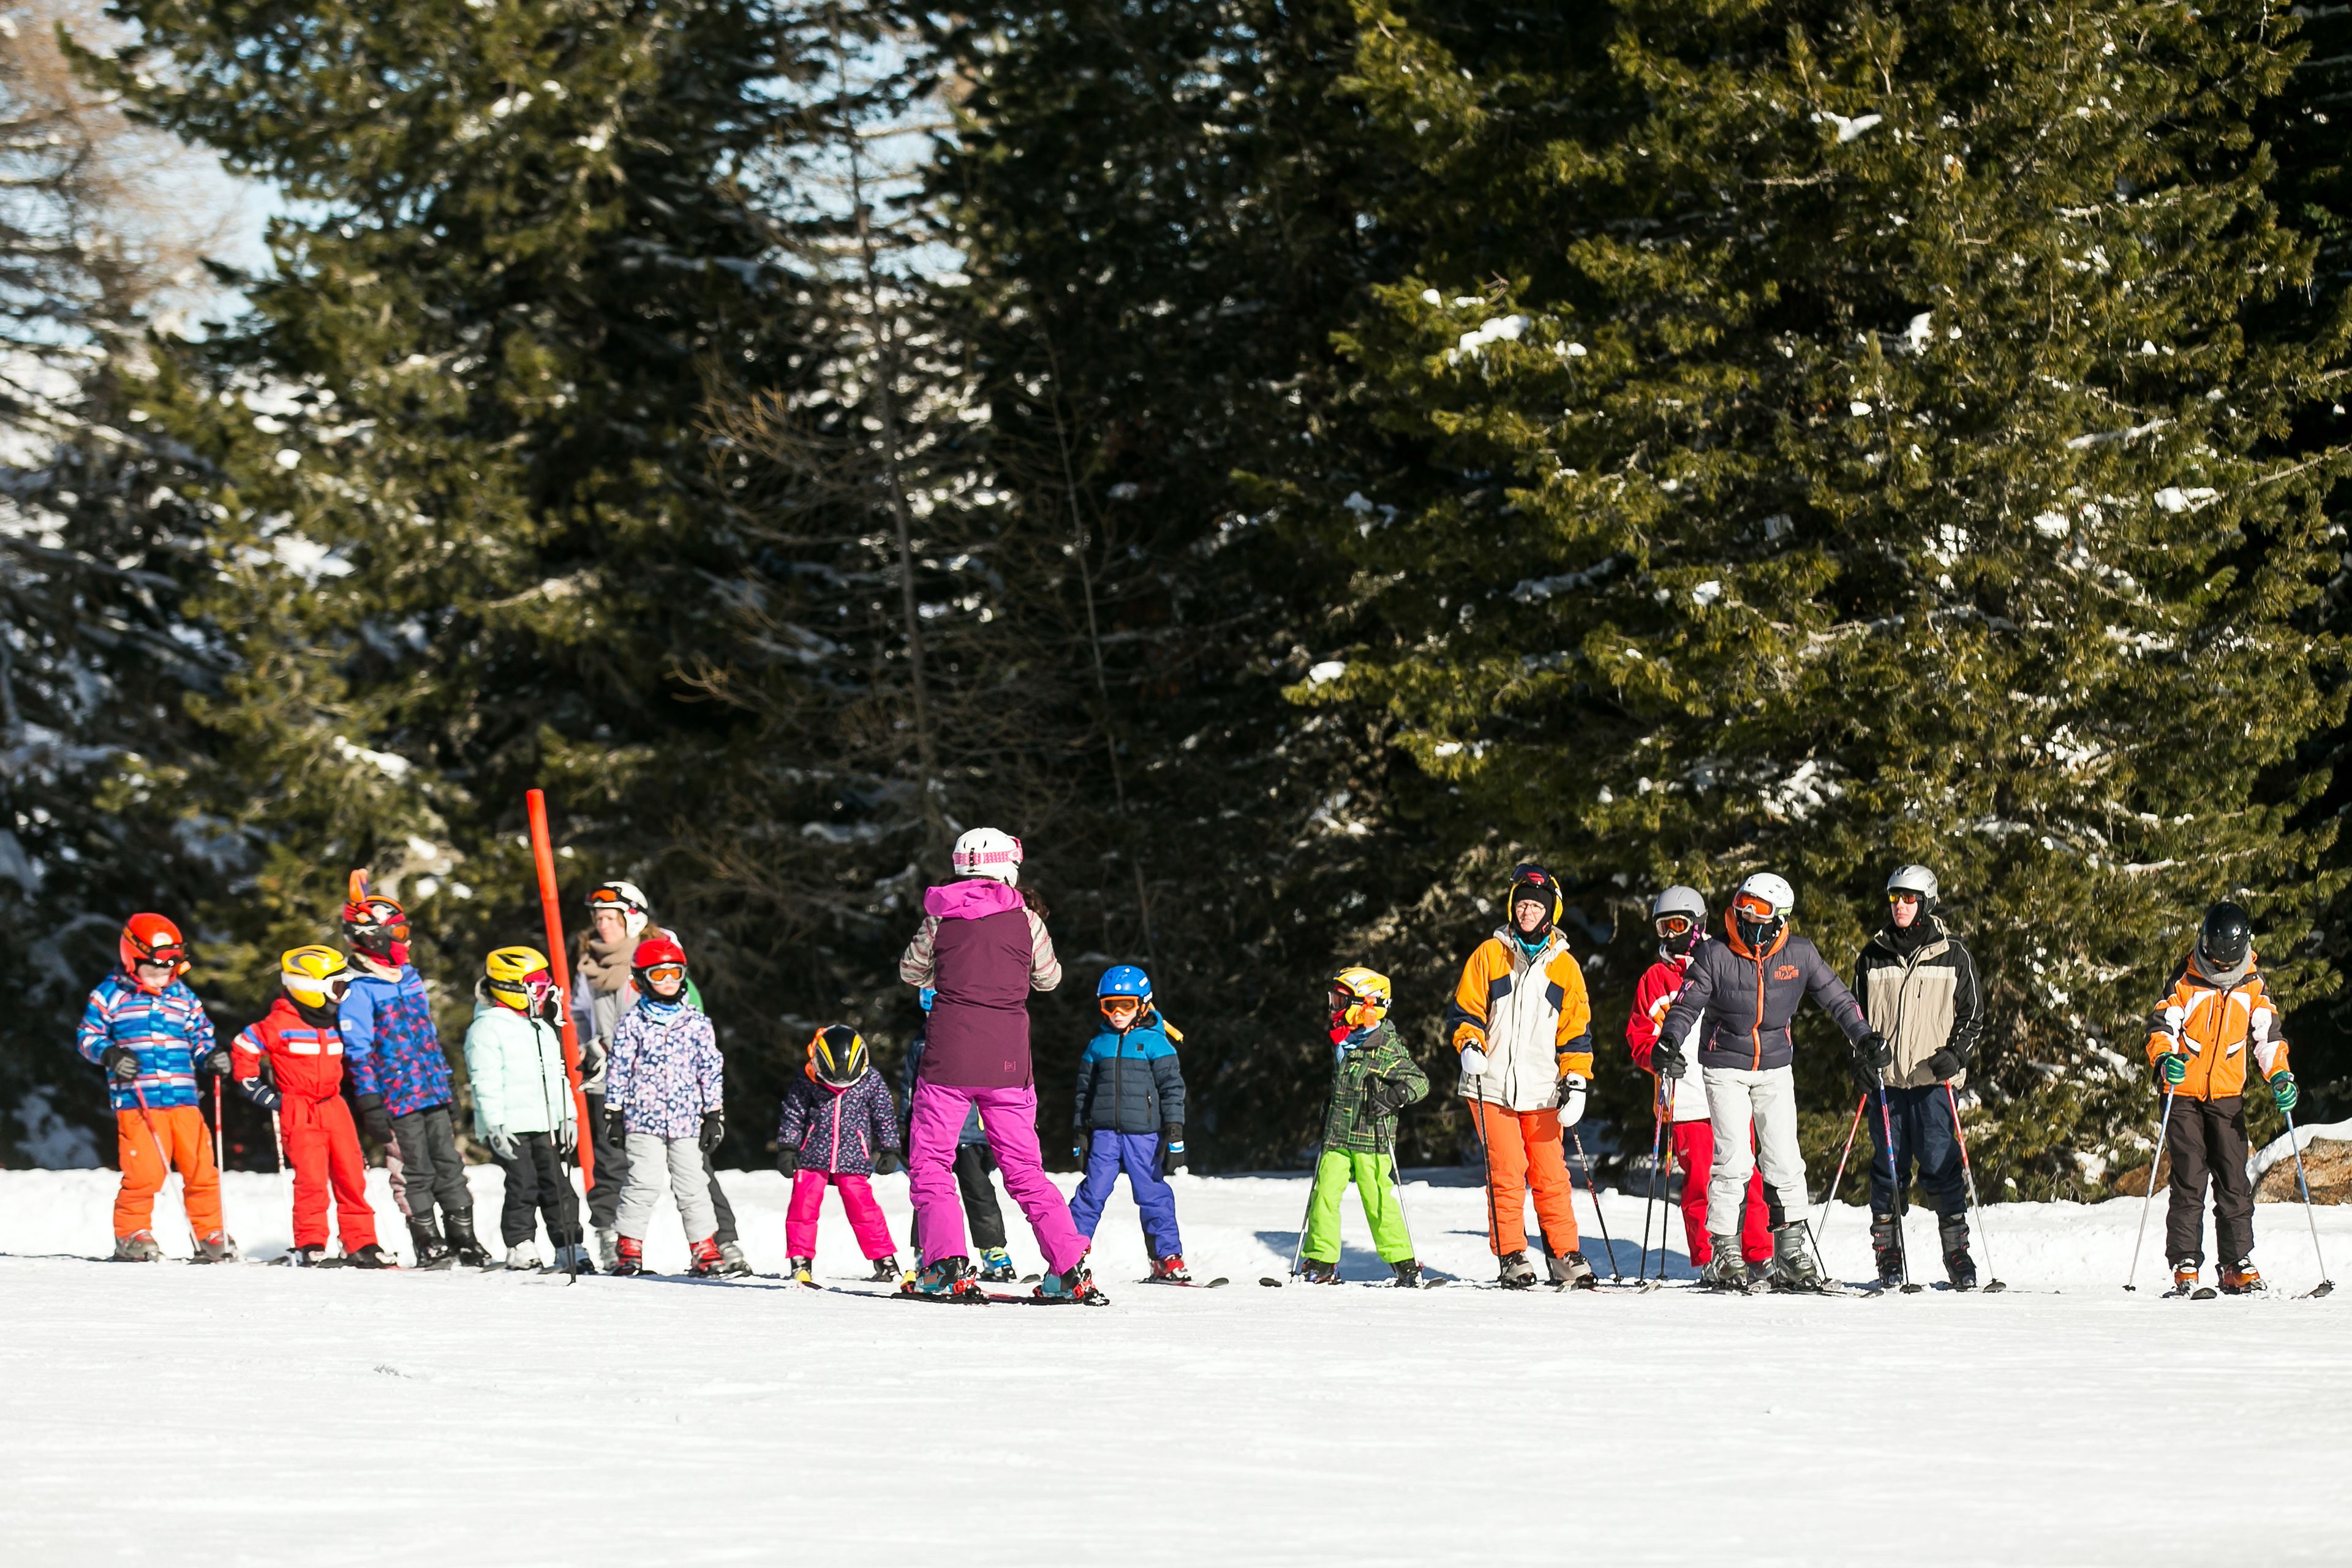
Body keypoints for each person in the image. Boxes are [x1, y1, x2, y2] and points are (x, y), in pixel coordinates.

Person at [1654, 871, 1884, 1292]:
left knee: (1784, 1160)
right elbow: (1687, 1003)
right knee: (1734, 1161)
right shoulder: (1716, 953)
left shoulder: (1799, 953)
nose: (1745, 914)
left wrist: (1864, 1037)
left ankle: (1792, 1252)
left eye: (1757, 908)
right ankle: (1724, 1250)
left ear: (1778, 918)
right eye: (1742, 903)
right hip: (1725, 1065)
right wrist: (1669, 1040)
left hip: (1776, 1067)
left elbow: (1838, 999)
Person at [897, 827, 1098, 1302]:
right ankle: (1069, 1268)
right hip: (1008, 1061)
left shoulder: (939, 919)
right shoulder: (1028, 921)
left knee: (931, 1165)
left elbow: (911, 971)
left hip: (947, 1058)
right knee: (1025, 1169)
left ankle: (945, 1266)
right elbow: (1049, 979)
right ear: (1009, 865)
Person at [571, 881, 748, 1274]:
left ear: (632, 917)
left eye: (610, 917)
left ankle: (721, 1242)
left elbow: (697, 1028)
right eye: (597, 918)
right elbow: (579, 1011)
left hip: (679, 1100)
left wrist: (711, 1108)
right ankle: (615, 1241)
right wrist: (591, 1046)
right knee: (616, 1167)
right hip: (620, 1087)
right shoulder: (591, 963)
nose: (602, 926)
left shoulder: (659, 955)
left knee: (695, 1173)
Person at [1443, 864, 1597, 1289]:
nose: (1527, 912)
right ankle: (1512, 1254)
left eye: (1536, 906)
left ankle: (1565, 1254)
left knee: (1551, 1175)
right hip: (1490, 1086)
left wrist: (1576, 1081)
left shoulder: (1565, 969)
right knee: (1507, 1171)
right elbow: (1466, 1011)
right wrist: (1470, 1044)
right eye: (1522, 904)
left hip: (1543, 1090)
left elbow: (1576, 1034)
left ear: (1552, 913)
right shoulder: (1490, 955)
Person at [2144, 900, 2295, 1296]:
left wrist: (2279, 1075)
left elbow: (2268, 1037)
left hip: (2227, 1095)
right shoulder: (2186, 978)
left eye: (2229, 965)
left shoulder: (2253, 985)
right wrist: (2164, 1059)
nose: (2221, 971)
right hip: (2183, 1095)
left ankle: (2236, 1263)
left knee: (2234, 1180)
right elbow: (2161, 1024)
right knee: (2189, 1179)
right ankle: (2185, 1263)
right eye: (2215, 962)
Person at [339, 879, 485, 1267]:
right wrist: (370, 1101)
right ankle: (427, 1238)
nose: (405, 941)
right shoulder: (358, 989)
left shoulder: (409, 977)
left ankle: (464, 1236)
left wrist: (447, 1083)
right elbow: (359, 1052)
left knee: (449, 1163)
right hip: (396, 1097)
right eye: (398, 933)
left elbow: (428, 1036)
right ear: (372, 938)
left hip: (431, 1088)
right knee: (414, 1169)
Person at [1626, 886, 1769, 1281]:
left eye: (1678, 925)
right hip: (1685, 1099)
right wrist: (1657, 1055)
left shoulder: (1725, 961)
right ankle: (1712, 1257)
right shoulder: (1656, 979)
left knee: (1749, 1177)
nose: (1670, 935)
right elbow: (1639, 1036)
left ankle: (1760, 1254)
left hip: (1733, 1088)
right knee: (1701, 1182)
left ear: (1698, 925)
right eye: (1662, 927)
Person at [75, 914, 236, 1262]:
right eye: (154, 968)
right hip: (138, 1100)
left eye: (169, 969)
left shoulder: (182, 997)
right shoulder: (110, 995)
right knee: (144, 1171)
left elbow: (201, 1036)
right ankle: (132, 1233)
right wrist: (111, 1053)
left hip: (184, 1099)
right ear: (132, 959)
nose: (162, 976)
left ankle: (210, 1231)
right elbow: (88, 1037)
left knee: (201, 1167)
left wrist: (211, 1057)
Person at [1852, 865, 1985, 1289]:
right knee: (1887, 1170)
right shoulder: (1872, 955)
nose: (1900, 906)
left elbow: (1973, 1015)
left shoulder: (1953, 953)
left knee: (1941, 1167)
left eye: (1909, 899)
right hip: (1887, 1082)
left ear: (1927, 902)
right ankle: (1888, 1255)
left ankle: (1957, 1254)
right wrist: (1860, 1060)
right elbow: (1854, 1018)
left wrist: (1956, 1054)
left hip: (1933, 1080)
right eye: (1895, 898)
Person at [231, 946, 390, 1267]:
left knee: (352, 1175)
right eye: (337, 988)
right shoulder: (279, 1023)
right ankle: (311, 1241)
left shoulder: (335, 1021)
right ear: (310, 990)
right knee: (311, 1179)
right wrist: (265, 1095)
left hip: (335, 1106)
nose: (341, 997)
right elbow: (242, 1050)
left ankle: (361, 1242)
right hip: (299, 1108)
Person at [603, 934, 728, 1276]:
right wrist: (613, 1111)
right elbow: (619, 1069)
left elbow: (710, 1070)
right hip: (644, 1120)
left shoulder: (697, 1023)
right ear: (643, 979)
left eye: (675, 973)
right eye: (660, 975)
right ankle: (629, 1246)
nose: (669, 982)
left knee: (693, 1184)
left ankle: (704, 1247)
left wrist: (714, 1114)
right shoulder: (633, 1023)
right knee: (643, 1182)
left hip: (688, 1120)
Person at [463, 946, 590, 1272]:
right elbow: (484, 1080)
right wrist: (494, 1124)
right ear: (512, 988)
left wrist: (568, 1116)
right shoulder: (487, 1028)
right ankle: (520, 1245)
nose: (544, 992)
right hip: (511, 1125)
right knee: (523, 1185)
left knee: (559, 1186)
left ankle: (569, 1245)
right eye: (536, 986)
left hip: (545, 1122)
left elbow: (557, 1074)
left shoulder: (541, 1027)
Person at [1298, 967, 1428, 1286]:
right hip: (1338, 1137)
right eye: (1332, 1000)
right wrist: (1330, 1107)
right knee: (1324, 1195)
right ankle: (1322, 1260)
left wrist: (1392, 1096)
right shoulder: (1343, 1041)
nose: (1333, 1009)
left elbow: (1420, 1082)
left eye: (1340, 1002)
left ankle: (1404, 1263)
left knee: (1379, 1200)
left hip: (1372, 1138)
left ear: (1366, 1005)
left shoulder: (1386, 1047)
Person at [1069, 965, 1191, 1281]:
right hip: (1104, 1135)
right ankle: (1068, 1255)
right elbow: (1084, 1092)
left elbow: (1172, 1090)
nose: (1118, 1013)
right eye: (1110, 1006)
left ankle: (1167, 1257)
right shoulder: (1098, 1045)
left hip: (1145, 1136)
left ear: (1143, 1005)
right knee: (1091, 1194)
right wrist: (1080, 1134)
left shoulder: (1157, 1043)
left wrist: (1174, 1132)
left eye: (1127, 1006)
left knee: (1153, 1195)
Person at [901, 986, 1018, 1281]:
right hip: (932, 1133)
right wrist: (906, 1129)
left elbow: (992, 1088)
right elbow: (910, 1090)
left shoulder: (976, 1040)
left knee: (979, 1193)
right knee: (930, 1191)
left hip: (970, 1135)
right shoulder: (920, 1045)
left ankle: (994, 1251)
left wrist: (993, 1131)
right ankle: (926, 1251)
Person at [776, 1025, 904, 1286]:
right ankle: (800, 1259)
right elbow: (793, 1114)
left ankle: (885, 1261)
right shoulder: (807, 1079)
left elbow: (884, 1117)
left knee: (864, 1210)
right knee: (803, 1205)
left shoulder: (871, 1081)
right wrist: (787, 1148)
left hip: (853, 1156)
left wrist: (890, 1148)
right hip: (812, 1156)